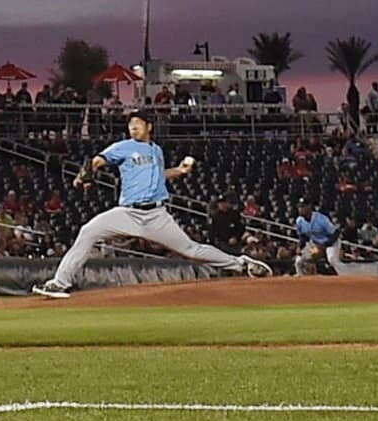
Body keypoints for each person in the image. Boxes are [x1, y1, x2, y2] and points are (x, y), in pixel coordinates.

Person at [33, 114, 250, 298]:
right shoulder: (124, 146)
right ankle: (60, 282)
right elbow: (98, 160)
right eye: (130, 123)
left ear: (149, 127)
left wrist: (180, 171)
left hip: (157, 215)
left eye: (138, 122)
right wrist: (85, 175)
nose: (133, 126)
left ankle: (241, 263)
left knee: (191, 249)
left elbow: (158, 177)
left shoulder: (156, 151)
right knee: (88, 231)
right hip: (128, 213)